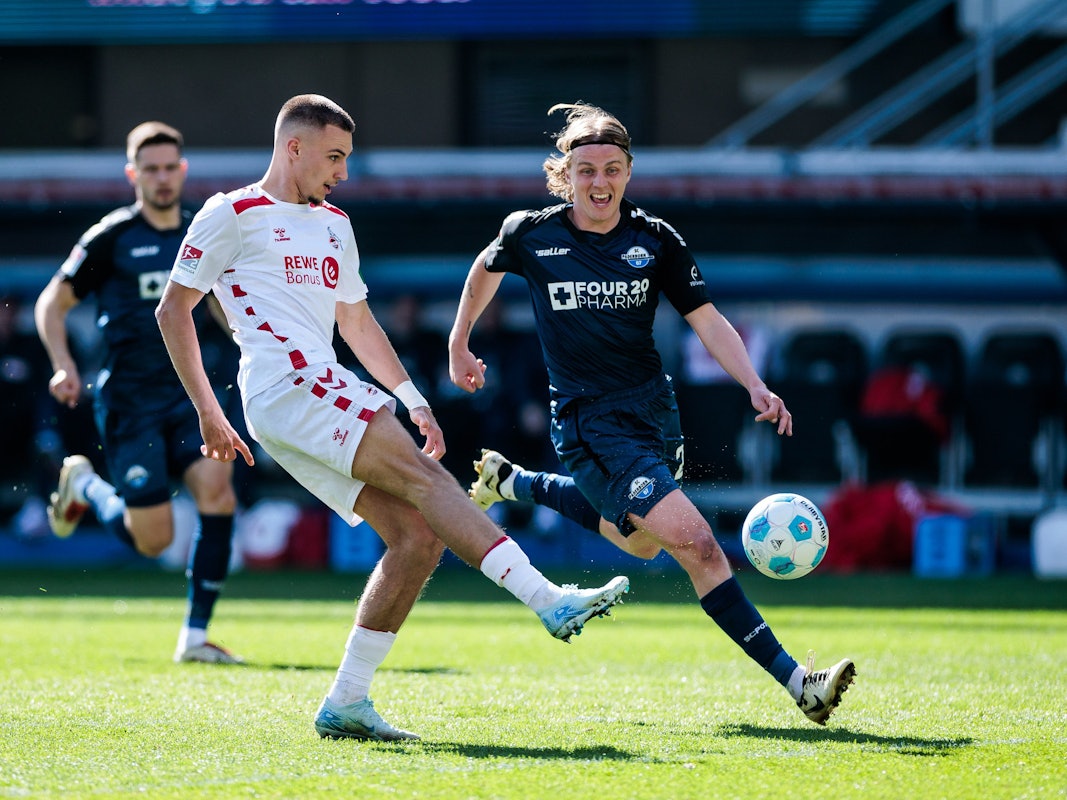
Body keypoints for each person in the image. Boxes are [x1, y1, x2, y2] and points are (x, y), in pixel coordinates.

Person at [154, 94, 629, 742]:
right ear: (292, 147)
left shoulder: (334, 224)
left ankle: (346, 702)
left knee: (415, 535)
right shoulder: (230, 213)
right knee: (426, 481)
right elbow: (172, 309)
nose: (342, 172)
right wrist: (209, 412)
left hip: (314, 385)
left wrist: (411, 397)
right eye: (334, 156)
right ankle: (548, 600)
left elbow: (355, 321)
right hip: (287, 384)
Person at [447, 102, 856, 726]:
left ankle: (514, 482)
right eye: (586, 170)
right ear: (566, 174)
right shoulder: (533, 233)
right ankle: (800, 681)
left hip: (653, 413)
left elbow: (708, 319)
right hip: (591, 423)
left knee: (637, 546)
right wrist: (459, 340)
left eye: (612, 169)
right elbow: (483, 267)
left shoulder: (655, 241)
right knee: (700, 548)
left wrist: (753, 384)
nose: (600, 183)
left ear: (629, 172)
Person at [34, 121, 243, 665]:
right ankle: (86, 485)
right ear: (134, 175)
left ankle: (195, 637)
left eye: (170, 166)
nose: (162, 177)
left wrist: (253, 348)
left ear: (183, 169)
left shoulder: (201, 232)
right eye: (151, 168)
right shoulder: (112, 237)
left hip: (191, 394)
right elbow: (51, 304)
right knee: (153, 540)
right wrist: (62, 364)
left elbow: (222, 304)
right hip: (130, 405)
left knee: (218, 494)